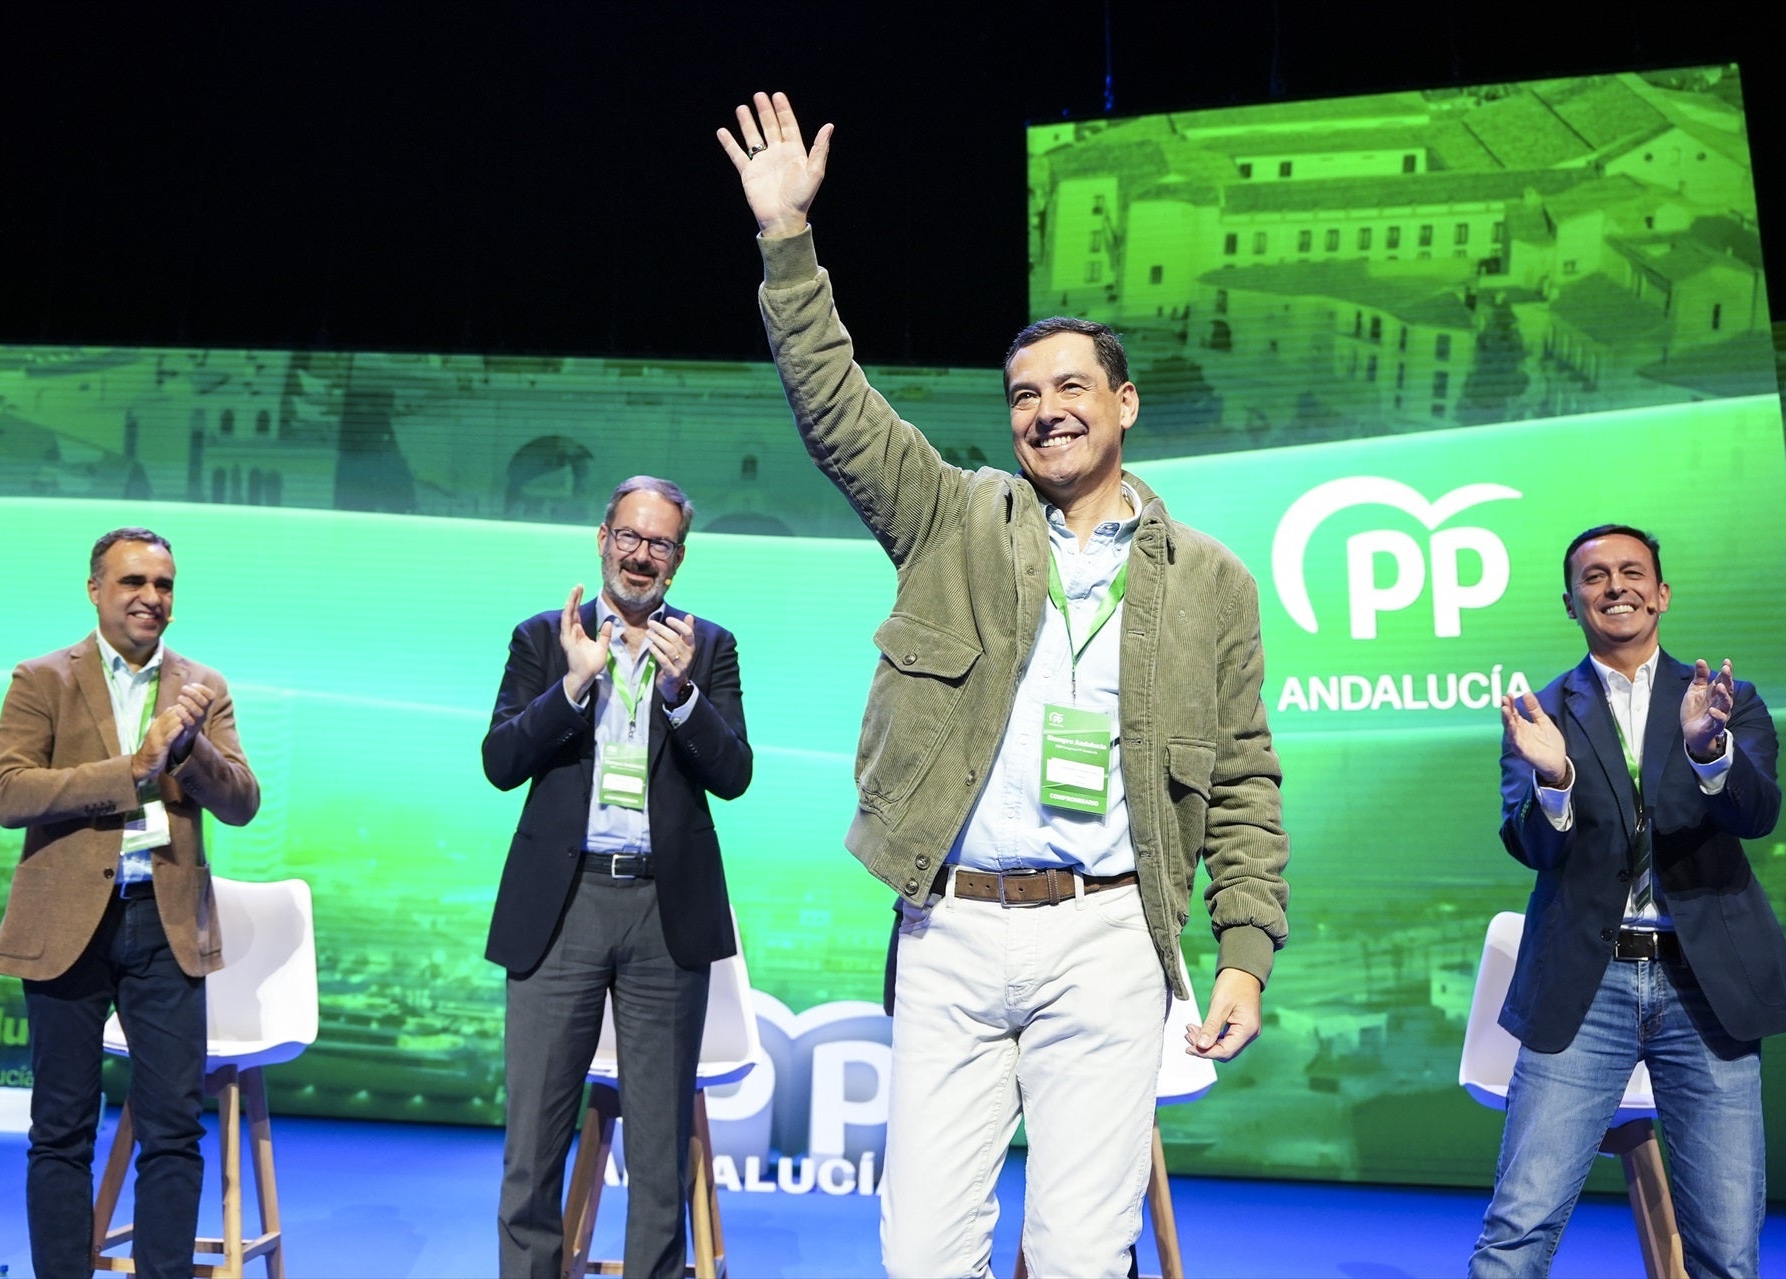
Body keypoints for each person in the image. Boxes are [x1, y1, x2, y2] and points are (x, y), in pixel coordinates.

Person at [717, 93, 1289, 1278]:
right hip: (955, 927)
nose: (1046, 412)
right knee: (924, 1256)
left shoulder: (1215, 586)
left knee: (1081, 1256)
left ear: (1123, 406)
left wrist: (1243, 948)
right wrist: (787, 240)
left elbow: (1243, 780)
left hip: (1110, 935)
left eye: (1072, 389)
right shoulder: (953, 514)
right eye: (1026, 395)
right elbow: (835, 405)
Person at [1471, 524, 1786, 1277]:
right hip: (1584, 985)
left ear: (1662, 593)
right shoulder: (1540, 713)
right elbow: (1530, 844)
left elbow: (1757, 815)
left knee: (1726, 1248)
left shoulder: (1725, 699)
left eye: (1633, 572)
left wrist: (1707, 750)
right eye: (1595, 577)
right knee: (1517, 1233)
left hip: (1706, 986)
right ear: (1571, 601)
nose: (1615, 586)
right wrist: (1553, 780)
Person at [482, 476, 753, 1279]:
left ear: (679, 557)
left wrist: (680, 695)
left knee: (662, 1155)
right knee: (532, 1147)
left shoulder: (708, 646)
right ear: (602, 538)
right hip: (560, 909)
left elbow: (734, 773)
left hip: (663, 912)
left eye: (660, 542)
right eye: (629, 537)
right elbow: (500, 761)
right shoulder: (544, 636)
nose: (642, 555)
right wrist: (573, 684)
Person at [0, 526, 261, 1279]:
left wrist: (189, 749)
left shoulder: (203, 685)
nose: (151, 598)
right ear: (96, 590)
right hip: (66, 920)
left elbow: (242, 802)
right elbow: (9, 792)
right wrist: (133, 769)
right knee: (62, 1129)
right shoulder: (43, 677)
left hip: (164, 920)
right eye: (134, 582)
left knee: (174, 1128)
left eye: (164, 585)